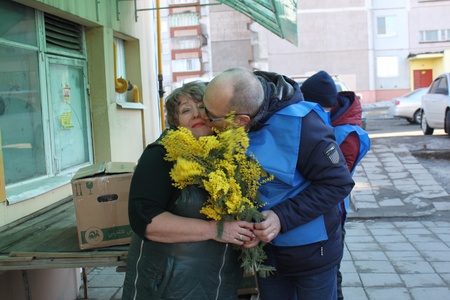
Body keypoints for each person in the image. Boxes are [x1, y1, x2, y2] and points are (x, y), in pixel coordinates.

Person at [202, 67, 355, 300]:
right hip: (268, 257)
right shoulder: (235, 120)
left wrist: (281, 217)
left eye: (211, 116)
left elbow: (337, 184)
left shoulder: (304, 125)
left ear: (242, 120)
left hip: (314, 255)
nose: (206, 120)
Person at [122, 81, 255, 300]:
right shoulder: (161, 155)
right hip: (168, 286)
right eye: (185, 110)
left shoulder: (233, 154)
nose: (196, 114)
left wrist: (250, 231)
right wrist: (216, 230)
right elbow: (144, 220)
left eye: (202, 106)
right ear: (176, 123)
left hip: (220, 283)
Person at [301, 70, 370, 300]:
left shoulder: (346, 134)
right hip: (323, 208)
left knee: (331, 270)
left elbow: (334, 179)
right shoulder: (331, 123)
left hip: (334, 210)